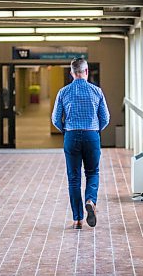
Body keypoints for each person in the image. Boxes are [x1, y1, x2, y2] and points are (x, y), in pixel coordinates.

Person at [51, 58, 110, 229]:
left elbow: (55, 119)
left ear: (72, 73)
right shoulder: (96, 91)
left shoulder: (63, 92)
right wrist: (95, 130)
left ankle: (77, 219)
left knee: (74, 178)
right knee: (93, 172)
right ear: (86, 71)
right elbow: (105, 118)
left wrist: (66, 130)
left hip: (71, 135)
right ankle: (90, 200)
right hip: (92, 135)